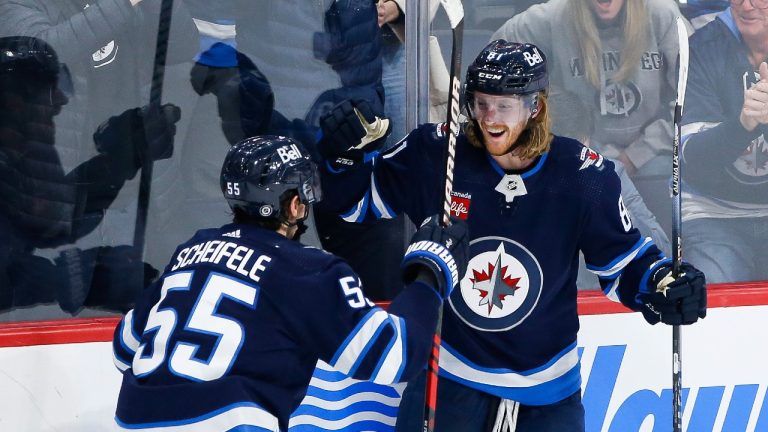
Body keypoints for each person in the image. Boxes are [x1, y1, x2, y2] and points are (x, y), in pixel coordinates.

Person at [314, 40, 707, 431]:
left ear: (535, 107)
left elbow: (623, 267)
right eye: (481, 103)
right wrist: (341, 157)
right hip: (449, 376)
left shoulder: (584, 178)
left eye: (504, 105)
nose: (489, 118)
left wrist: (661, 283)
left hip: (548, 390)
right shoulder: (438, 153)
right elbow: (354, 205)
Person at [111, 135, 470, 431]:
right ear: (296, 205)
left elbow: (124, 347)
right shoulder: (305, 269)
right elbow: (394, 356)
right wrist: (429, 272)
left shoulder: (192, 249)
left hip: (132, 419)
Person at [0, 36, 179, 316]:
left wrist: (120, 160)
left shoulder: (20, 155)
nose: (60, 101)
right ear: (13, 101)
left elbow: (48, 215)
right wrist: (76, 278)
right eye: (48, 91)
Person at [492, 0, 685, 233]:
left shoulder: (662, 13)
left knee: (662, 184)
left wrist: (638, 153)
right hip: (584, 150)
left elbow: (692, 98)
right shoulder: (551, 17)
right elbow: (493, 63)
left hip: (655, 151)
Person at [679, 0, 768, 283]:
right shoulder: (701, 49)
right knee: (708, 300)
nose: (746, 5)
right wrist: (744, 124)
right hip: (713, 211)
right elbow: (694, 162)